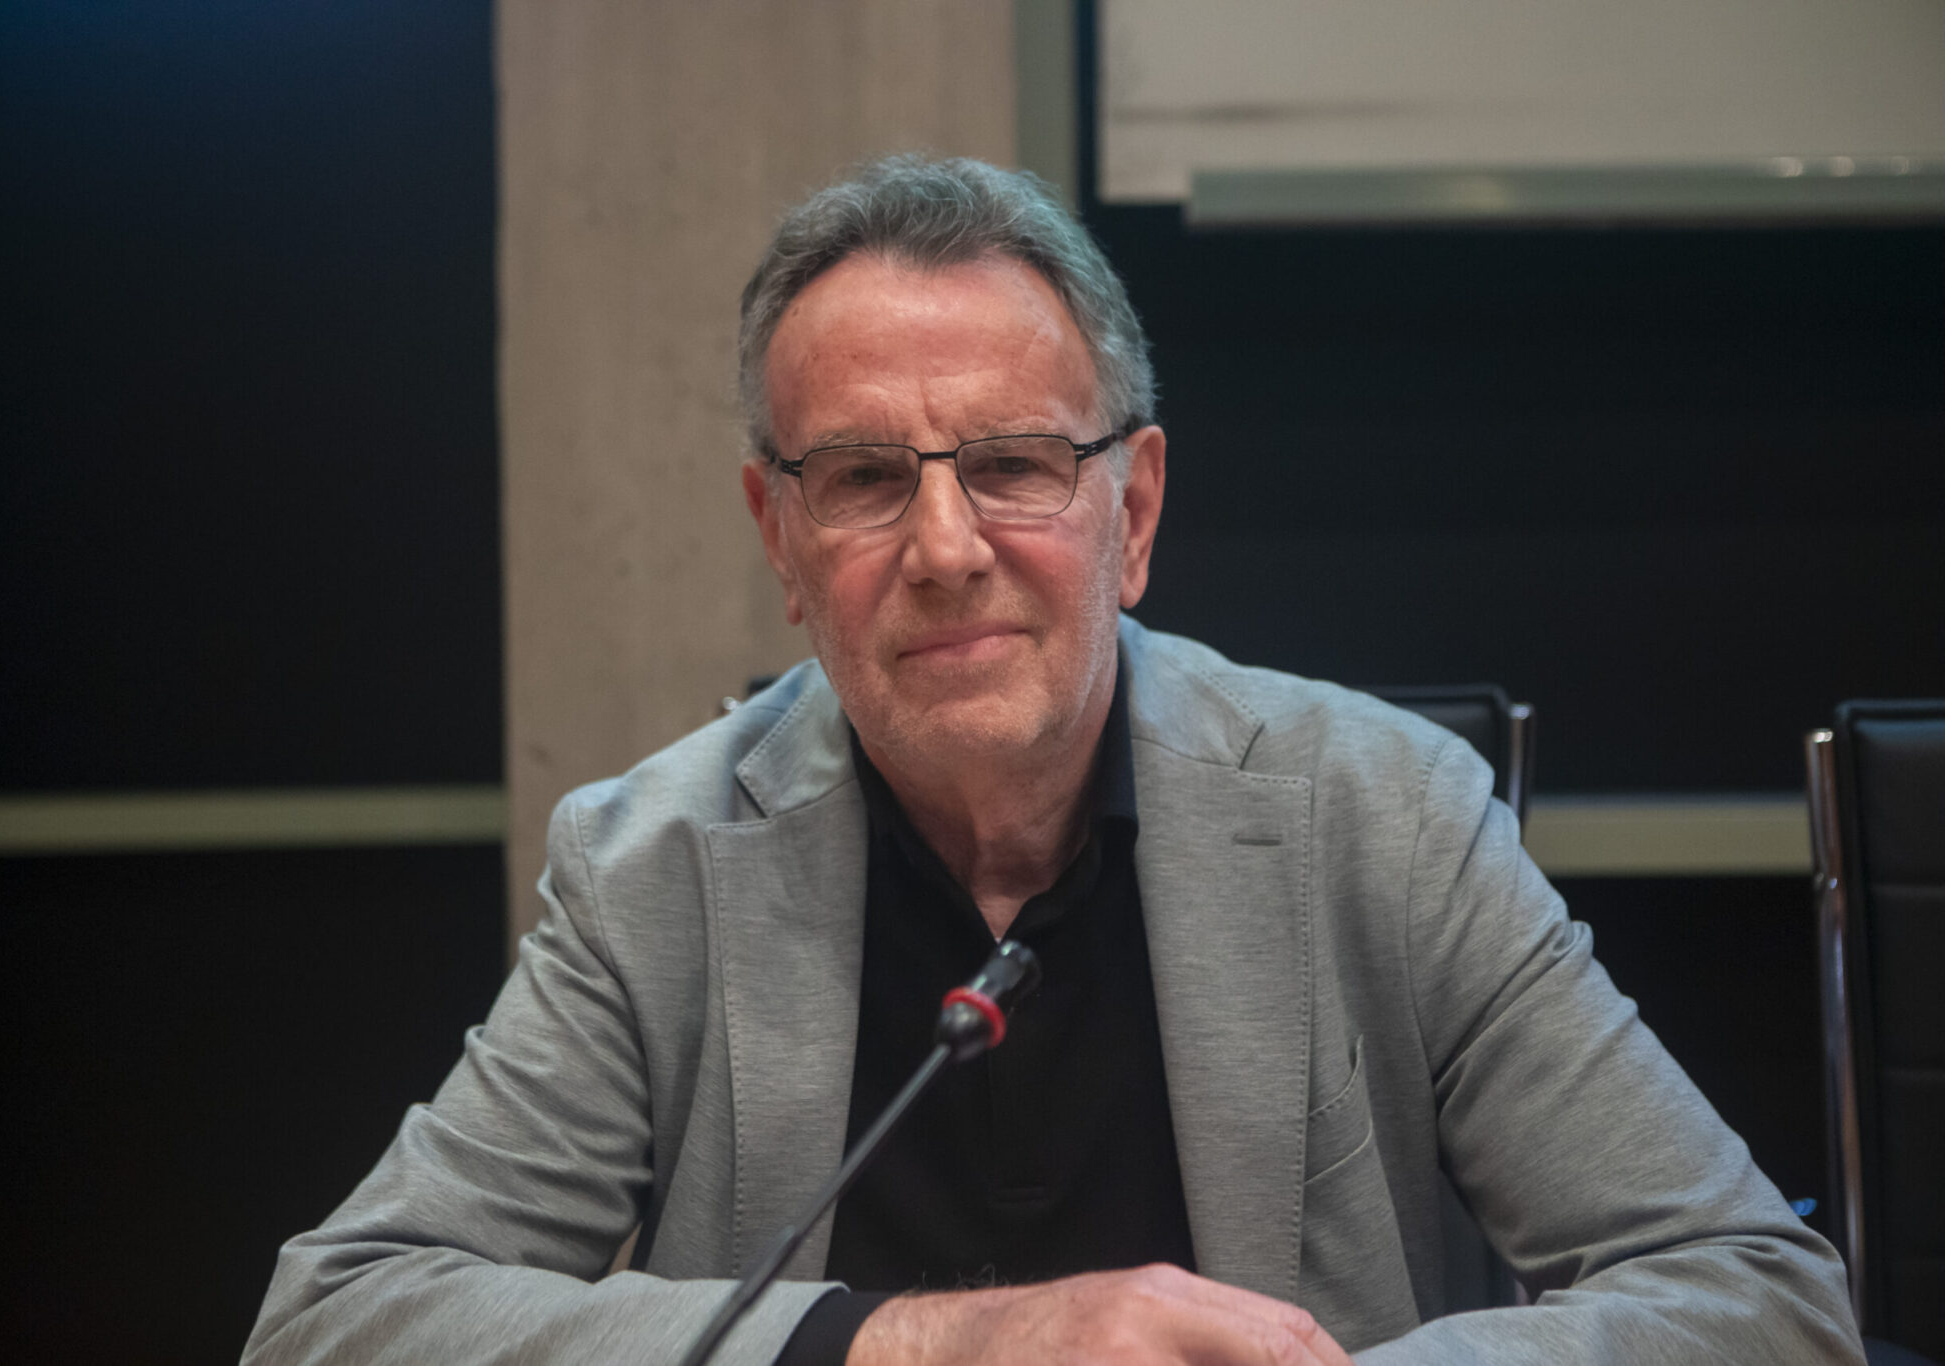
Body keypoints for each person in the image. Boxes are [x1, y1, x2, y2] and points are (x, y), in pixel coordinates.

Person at [243, 155, 1862, 1365]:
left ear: (1132, 512)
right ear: (782, 539)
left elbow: (1756, 1299)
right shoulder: (651, 867)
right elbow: (342, 1320)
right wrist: (923, 1346)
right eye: (865, 478)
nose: (946, 548)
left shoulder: (1386, 817)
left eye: (1014, 464)